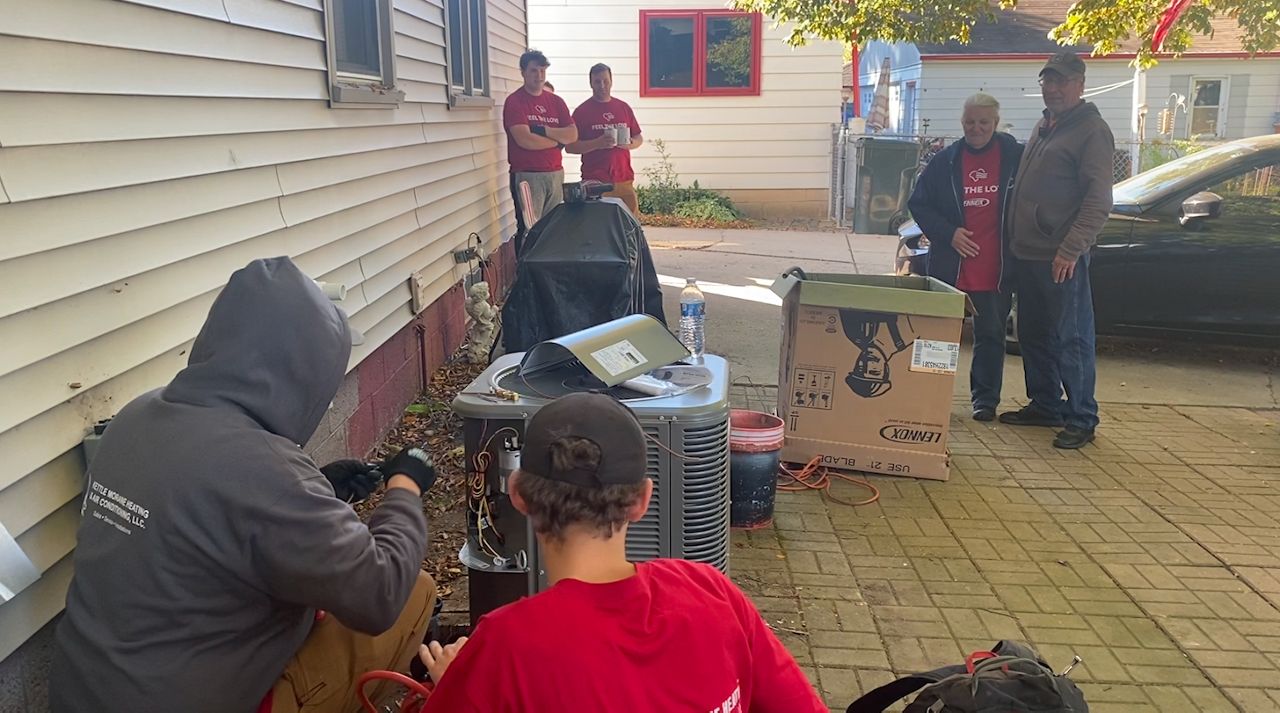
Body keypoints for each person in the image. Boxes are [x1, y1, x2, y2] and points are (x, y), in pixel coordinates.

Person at [50, 257, 440, 713]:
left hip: (86, 693)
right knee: (415, 590)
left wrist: (323, 490)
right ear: (303, 373)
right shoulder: (268, 475)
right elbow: (380, 593)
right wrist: (405, 485)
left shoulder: (136, 418)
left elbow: (210, 515)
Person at [416, 393, 827, 713]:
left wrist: (457, 681)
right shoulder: (711, 591)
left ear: (519, 495)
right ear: (643, 500)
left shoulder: (505, 649)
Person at [1001, 52, 1114, 449]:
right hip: (1029, 253)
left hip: (1061, 257)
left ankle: (1082, 416)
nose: (1052, 88)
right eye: (1047, 81)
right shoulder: (1045, 125)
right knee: (1034, 334)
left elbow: (1098, 200)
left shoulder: (1091, 131)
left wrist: (1071, 249)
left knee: (1073, 338)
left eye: (1061, 81)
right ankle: (1046, 404)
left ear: (1080, 84)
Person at [907, 92, 1023, 422]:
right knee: (939, 337)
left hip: (996, 269)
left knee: (990, 337)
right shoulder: (946, 161)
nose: (976, 128)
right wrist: (949, 233)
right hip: (951, 267)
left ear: (996, 124)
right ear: (962, 123)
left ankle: (985, 401)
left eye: (983, 122)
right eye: (970, 122)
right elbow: (918, 203)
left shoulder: (1015, 157)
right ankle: (930, 398)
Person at [503, 49, 577, 248]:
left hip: (554, 174)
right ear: (523, 72)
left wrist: (543, 130)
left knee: (552, 227)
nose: (539, 76)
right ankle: (527, 274)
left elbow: (572, 135)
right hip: (527, 176)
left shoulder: (556, 102)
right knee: (530, 228)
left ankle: (547, 273)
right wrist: (556, 141)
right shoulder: (515, 101)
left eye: (543, 71)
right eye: (534, 70)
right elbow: (525, 140)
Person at [567, 63, 645, 216]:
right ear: (590, 83)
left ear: (611, 81)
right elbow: (570, 147)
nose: (602, 85)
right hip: (595, 182)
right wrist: (598, 143)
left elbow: (638, 137)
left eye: (605, 81)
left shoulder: (623, 107)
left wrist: (630, 144)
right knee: (599, 226)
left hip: (624, 178)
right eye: (597, 81)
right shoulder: (582, 111)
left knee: (631, 226)